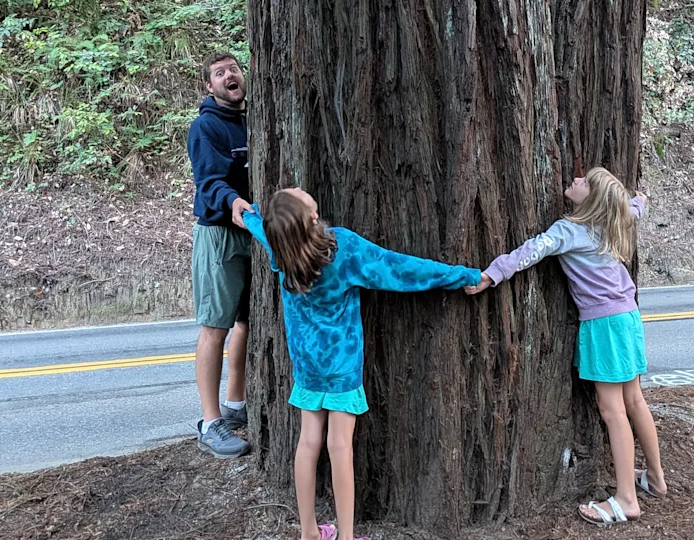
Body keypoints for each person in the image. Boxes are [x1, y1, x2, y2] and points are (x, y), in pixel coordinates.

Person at [240, 187, 480, 540]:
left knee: (308, 443)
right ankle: (347, 537)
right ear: (311, 217)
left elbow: (263, 228)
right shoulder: (341, 248)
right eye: (295, 194)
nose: (296, 188)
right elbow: (401, 269)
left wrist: (247, 215)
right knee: (339, 447)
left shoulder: (282, 248)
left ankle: (308, 533)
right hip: (342, 368)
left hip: (307, 365)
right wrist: (464, 275)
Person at [465, 167, 667, 527]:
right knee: (634, 401)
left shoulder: (569, 231)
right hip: (627, 317)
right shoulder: (615, 219)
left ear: (593, 200)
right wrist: (641, 200)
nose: (576, 179)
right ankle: (655, 478)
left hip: (604, 325)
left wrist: (491, 275)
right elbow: (633, 208)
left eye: (584, 182)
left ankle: (626, 499)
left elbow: (530, 251)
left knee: (612, 411)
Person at [188, 52, 252, 458]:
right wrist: (232, 202)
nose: (229, 75)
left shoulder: (253, 121)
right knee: (216, 327)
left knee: (247, 321)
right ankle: (210, 423)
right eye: (219, 72)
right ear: (209, 86)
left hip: (254, 232)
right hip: (219, 235)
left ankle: (235, 404)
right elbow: (208, 181)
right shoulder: (205, 127)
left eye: (233, 69)